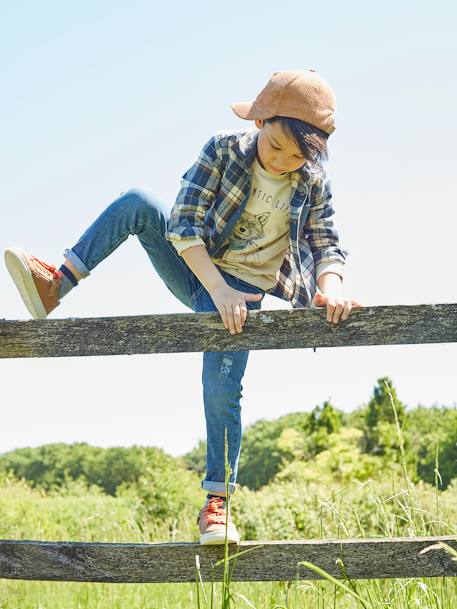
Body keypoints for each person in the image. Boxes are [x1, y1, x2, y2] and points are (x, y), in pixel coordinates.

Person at [4, 69, 362, 545]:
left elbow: (325, 241)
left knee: (221, 389)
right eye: (275, 146)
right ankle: (58, 283)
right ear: (259, 123)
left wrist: (330, 286)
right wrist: (216, 290)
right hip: (201, 273)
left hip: (247, 296)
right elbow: (184, 223)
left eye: (296, 157)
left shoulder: (312, 180)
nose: (282, 162)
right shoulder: (222, 150)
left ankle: (218, 505)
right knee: (137, 201)